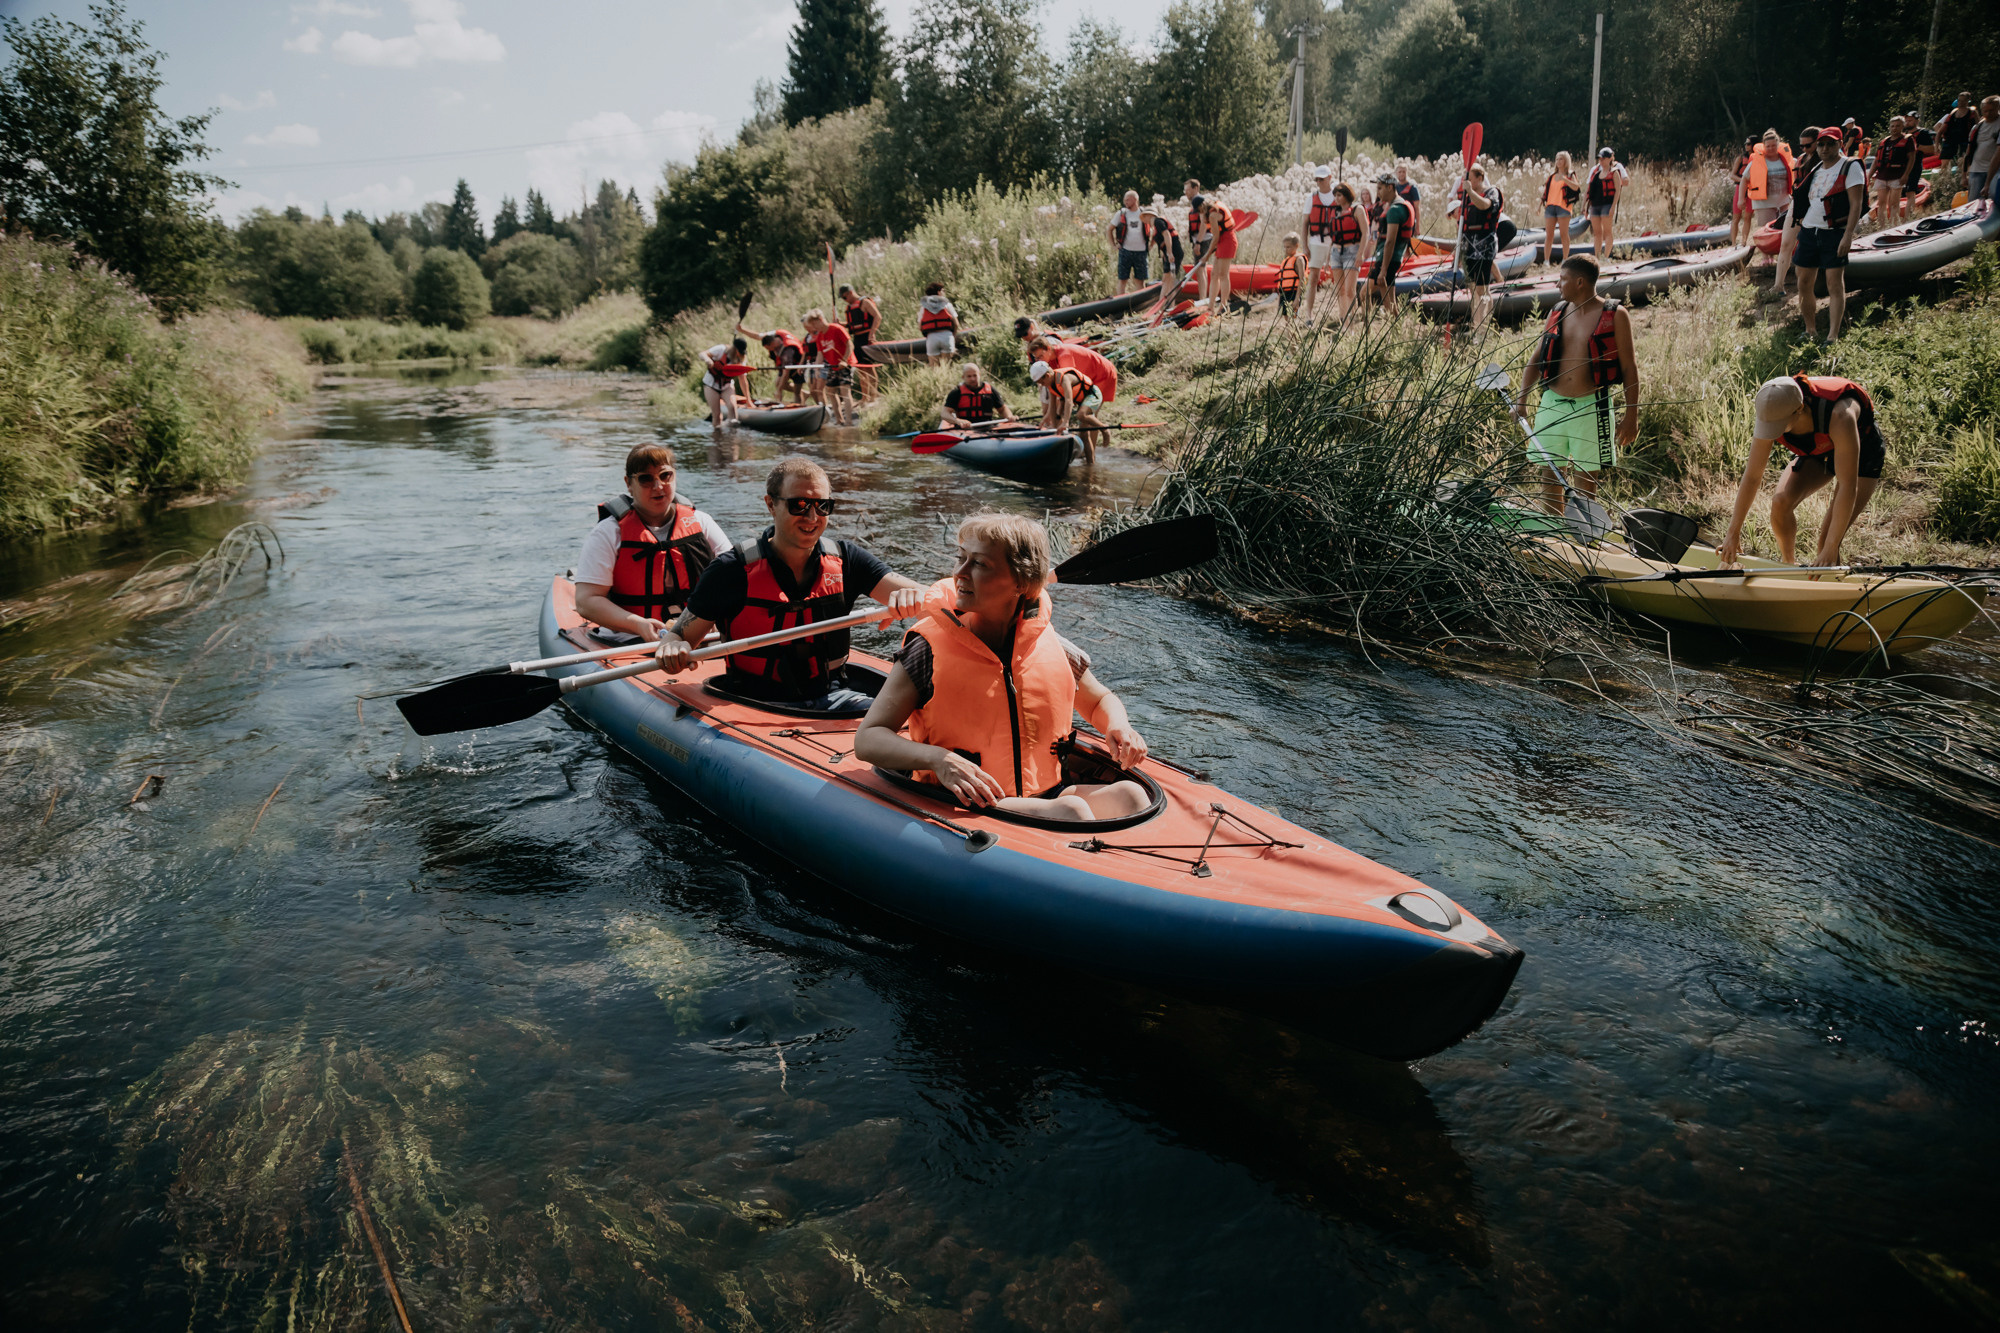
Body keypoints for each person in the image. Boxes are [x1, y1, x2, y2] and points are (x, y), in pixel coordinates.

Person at [853, 513, 1150, 822]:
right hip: (968, 801)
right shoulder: (927, 649)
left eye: (979, 564)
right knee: (1072, 811)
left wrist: (1118, 725)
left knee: (1131, 796)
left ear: (1020, 582)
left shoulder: (1051, 644)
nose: (960, 573)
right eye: (961, 558)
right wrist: (940, 759)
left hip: (1047, 792)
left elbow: (1099, 700)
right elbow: (868, 738)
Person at [655, 458, 926, 710]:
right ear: (771, 505)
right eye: (799, 505)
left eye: (822, 506)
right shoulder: (730, 570)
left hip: (833, 697)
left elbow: (928, 597)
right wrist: (673, 648)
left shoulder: (848, 560)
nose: (812, 517)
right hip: (752, 703)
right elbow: (678, 637)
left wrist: (911, 597)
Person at [1716, 375, 1887, 571]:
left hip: (1862, 454)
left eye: (1778, 425)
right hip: (1819, 450)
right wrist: (1733, 532)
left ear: (1799, 409)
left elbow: (1847, 486)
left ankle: (1831, 582)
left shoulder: (1840, 415)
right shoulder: (1772, 409)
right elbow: (1753, 476)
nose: (1772, 431)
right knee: (1781, 502)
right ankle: (1788, 565)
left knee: (1827, 542)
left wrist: (1831, 547)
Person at [1513, 255, 1639, 514]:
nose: (1558, 285)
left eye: (1562, 279)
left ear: (1580, 282)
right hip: (1552, 403)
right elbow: (1537, 358)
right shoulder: (1558, 311)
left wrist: (1631, 416)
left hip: (1592, 407)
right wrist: (1521, 400)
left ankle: (1582, 534)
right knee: (1549, 475)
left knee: (1586, 481)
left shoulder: (1615, 314)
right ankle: (1554, 530)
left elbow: (1629, 367)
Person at [573, 443, 732, 643]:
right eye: (646, 479)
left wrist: (711, 614)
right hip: (629, 639)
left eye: (665, 475)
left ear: (674, 476)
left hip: (699, 636)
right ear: (629, 484)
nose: (658, 486)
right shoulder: (609, 533)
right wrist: (638, 624)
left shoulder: (701, 522)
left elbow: (736, 576)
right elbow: (586, 601)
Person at [1792, 128, 1868, 341]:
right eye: (1821, 144)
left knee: (1834, 284)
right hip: (1809, 231)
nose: (1825, 148)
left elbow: (1856, 204)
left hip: (1834, 233)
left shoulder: (1850, 166)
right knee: (1803, 283)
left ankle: (1832, 336)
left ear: (1840, 144)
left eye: (1830, 144)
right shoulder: (1816, 167)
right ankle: (1810, 330)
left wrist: (1848, 235)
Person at [1454, 163, 1504, 334]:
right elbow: (1462, 225)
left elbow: (1484, 205)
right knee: (1474, 289)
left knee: (1483, 288)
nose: (1465, 181)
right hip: (1469, 247)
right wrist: (1459, 251)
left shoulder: (1492, 192)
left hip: (1484, 246)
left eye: (1469, 178)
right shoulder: (1466, 196)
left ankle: (1481, 328)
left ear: (1480, 178)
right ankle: (1478, 324)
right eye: (1464, 178)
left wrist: (1470, 191)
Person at [1306, 181, 1365, 324]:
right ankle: (1344, 321)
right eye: (1335, 196)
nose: (1336, 198)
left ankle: (1352, 323)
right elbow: (1333, 237)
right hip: (1336, 253)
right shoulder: (1335, 212)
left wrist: (1360, 254)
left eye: (1339, 195)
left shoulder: (1358, 210)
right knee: (1340, 290)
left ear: (1346, 195)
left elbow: (1366, 233)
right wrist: (1328, 258)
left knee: (1350, 290)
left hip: (1352, 251)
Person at [1028, 357, 1105, 462]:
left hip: (1092, 395)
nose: (1042, 385)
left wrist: (1066, 422)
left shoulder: (1064, 378)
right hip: (1081, 401)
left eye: (1041, 382)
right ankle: (1090, 463)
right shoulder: (1050, 385)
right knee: (1084, 434)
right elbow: (1052, 406)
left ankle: (1104, 429)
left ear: (1047, 376)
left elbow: (1069, 401)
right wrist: (1050, 423)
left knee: (1080, 415)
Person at [1360, 174, 1411, 320]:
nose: (1378, 192)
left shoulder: (1395, 209)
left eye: (1380, 188)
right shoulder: (1398, 205)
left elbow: (1390, 242)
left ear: (1390, 187)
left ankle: (1367, 329)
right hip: (1391, 260)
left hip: (1387, 260)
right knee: (1390, 303)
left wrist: (1383, 270)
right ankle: (1397, 328)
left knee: (1364, 294)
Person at [1741, 130, 1793, 268]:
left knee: (1785, 229)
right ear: (1763, 146)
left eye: (1773, 145)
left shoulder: (1785, 158)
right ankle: (1766, 258)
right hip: (1764, 202)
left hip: (1783, 200)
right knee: (1766, 231)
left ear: (1778, 144)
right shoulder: (1757, 160)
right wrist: (1741, 199)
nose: (1771, 148)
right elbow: (1744, 179)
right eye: (1768, 146)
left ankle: (1783, 256)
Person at [801, 309, 856, 425]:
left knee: (845, 391)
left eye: (815, 324)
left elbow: (849, 345)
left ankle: (849, 421)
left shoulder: (836, 329)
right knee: (831, 392)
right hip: (832, 365)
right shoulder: (820, 336)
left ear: (820, 320)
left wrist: (844, 360)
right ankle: (839, 420)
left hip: (845, 364)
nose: (814, 328)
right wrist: (817, 369)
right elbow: (820, 354)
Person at [734, 323, 809, 406]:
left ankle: (799, 404)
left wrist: (779, 390)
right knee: (778, 383)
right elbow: (758, 336)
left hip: (797, 367)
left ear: (772, 344)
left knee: (795, 392)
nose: (769, 350)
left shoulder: (787, 351)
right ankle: (801, 395)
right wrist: (742, 330)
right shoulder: (775, 335)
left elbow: (786, 373)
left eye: (768, 348)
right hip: (785, 366)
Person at [1869, 115, 1920, 225]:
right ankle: (1882, 226)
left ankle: (1894, 225)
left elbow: (1912, 158)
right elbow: (1876, 160)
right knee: (1881, 203)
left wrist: (1906, 175)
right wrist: (1869, 176)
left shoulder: (1908, 140)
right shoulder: (1884, 141)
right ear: (1889, 127)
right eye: (1892, 126)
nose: (1894, 128)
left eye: (1897, 126)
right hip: (1882, 175)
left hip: (1897, 176)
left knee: (1894, 203)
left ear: (1902, 126)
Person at [1584, 146, 1629, 260]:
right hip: (1595, 205)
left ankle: (1606, 257)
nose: (1601, 160)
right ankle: (1597, 256)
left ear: (1610, 158)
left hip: (1607, 204)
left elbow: (1618, 190)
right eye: (1600, 158)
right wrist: (1584, 205)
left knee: (1607, 231)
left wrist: (1613, 206)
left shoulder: (1615, 171)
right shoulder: (1595, 172)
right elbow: (1588, 190)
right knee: (1597, 232)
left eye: (1603, 158)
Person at [838, 284, 881, 403]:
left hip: (866, 338)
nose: (844, 300)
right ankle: (865, 397)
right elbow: (853, 324)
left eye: (844, 297)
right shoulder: (850, 307)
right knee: (861, 369)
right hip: (857, 339)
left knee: (869, 367)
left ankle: (874, 395)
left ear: (850, 292)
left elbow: (877, 317)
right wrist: (841, 324)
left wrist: (872, 334)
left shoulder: (865, 302)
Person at [939, 363, 1012, 428]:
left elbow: (1002, 409)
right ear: (963, 377)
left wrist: (1009, 416)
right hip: (966, 428)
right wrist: (957, 421)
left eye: (975, 375)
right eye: (969, 376)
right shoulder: (957, 392)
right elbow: (945, 413)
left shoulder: (990, 390)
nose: (973, 379)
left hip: (987, 427)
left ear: (979, 375)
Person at [1108, 190, 1152, 294]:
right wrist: (1113, 245)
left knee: (1140, 281)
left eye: (1127, 200)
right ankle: (1121, 303)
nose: (1125, 202)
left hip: (1141, 252)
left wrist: (1151, 245)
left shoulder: (1144, 213)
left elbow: (1155, 229)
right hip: (1125, 251)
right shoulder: (1121, 214)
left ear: (1135, 200)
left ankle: (1140, 302)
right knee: (1122, 280)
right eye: (1124, 200)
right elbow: (1109, 229)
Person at [1544, 151, 1581, 263]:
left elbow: (1576, 187)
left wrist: (1565, 179)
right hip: (1550, 207)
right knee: (1549, 235)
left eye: (1561, 159)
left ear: (1566, 161)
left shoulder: (1570, 175)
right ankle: (1546, 260)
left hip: (1563, 207)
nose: (1558, 161)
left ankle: (1565, 259)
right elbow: (1546, 192)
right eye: (1557, 159)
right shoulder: (1552, 176)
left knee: (1563, 234)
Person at [1938, 92, 1978, 196]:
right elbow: (1940, 130)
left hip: (1965, 141)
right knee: (1944, 165)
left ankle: (1960, 188)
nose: (1961, 103)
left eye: (1964, 101)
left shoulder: (1972, 112)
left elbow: (1978, 127)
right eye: (1959, 100)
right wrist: (1936, 144)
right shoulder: (1953, 113)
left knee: (1962, 163)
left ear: (1968, 101)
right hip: (1950, 141)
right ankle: (1941, 188)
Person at [1202, 198, 1240, 310]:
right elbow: (1217, 237)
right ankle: (1210, 306)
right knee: (1214, 274)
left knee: (1223, 274)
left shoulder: (1212, 215)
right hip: (1222, 240)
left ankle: (1223, 306)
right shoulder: (1212, 212)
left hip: (1228, 241)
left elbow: (1215, 237)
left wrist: (1206, 255)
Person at [701, 339, 748, 426]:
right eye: (739, 351)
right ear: (734, 349)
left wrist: (748, 400)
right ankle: (717, 433)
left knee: (732, 408)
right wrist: (707, 359)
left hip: (727, 386)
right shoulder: (721, 349)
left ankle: (731, 432)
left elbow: (743, 380)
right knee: (717, 415)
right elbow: (702, 354)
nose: (740, 354)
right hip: (711, 386)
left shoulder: (741, 360)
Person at [1966, 96, 2000, 200]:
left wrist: (1988, 182)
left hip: (1996, 172)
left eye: (1991, 110)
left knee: (1993, 203)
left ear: (1998, 108)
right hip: (1976, 170)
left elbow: (1998, 154)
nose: (1988, 114)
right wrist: (1964, 174)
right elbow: (1969, 150)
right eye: (1985, 111)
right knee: (1973, 203)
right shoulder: (1977, 127)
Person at [919, 282, 959, 366]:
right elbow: (956, 324)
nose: (944, 293)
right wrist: (953, 336)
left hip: (932, 338)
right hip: (947, 336)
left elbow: (920, 327)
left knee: (934, 368)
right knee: (946, 367)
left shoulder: (924, 307)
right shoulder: (947, 305)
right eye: (943, 291)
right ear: (939, 292)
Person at [1145, 206, 1183, 286]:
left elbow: (1167, 235)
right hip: (1168, 253)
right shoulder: (1155, 225)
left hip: (1174, 252)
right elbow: (1155, 238)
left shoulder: (1157, 222)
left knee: (1169, 278)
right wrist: (1150, 247)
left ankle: (1170, 293)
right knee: (1166, 278)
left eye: (1145, 216)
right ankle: (1166, 293)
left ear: (1150, 215)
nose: (1144, 219)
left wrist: (1169, 253)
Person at [1729, 137, 1757, 245]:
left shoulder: (1758, 158)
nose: (1746, 146)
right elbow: (1732, 175)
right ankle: (1733, 243)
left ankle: (1744, 242)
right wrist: (1743, 181)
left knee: (1747, 217)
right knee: (1736, 217)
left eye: (1748, 144)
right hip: (1739, 188)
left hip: (1752, 190)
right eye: (1745, 143)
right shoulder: (1740, 158)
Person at [1274, 232, 1306, 317]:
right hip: (1285, 292)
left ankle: (1291, 326)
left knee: (1292, 316)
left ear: (1296, 246)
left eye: (1288, 247)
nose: (1285, 249)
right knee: (1285, 315)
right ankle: (1287, 326)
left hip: (1294, 292)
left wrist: (1297, 297)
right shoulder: (1287, 260)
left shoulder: (1299, 260)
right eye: (1284, 247)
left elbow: (1302, 279)